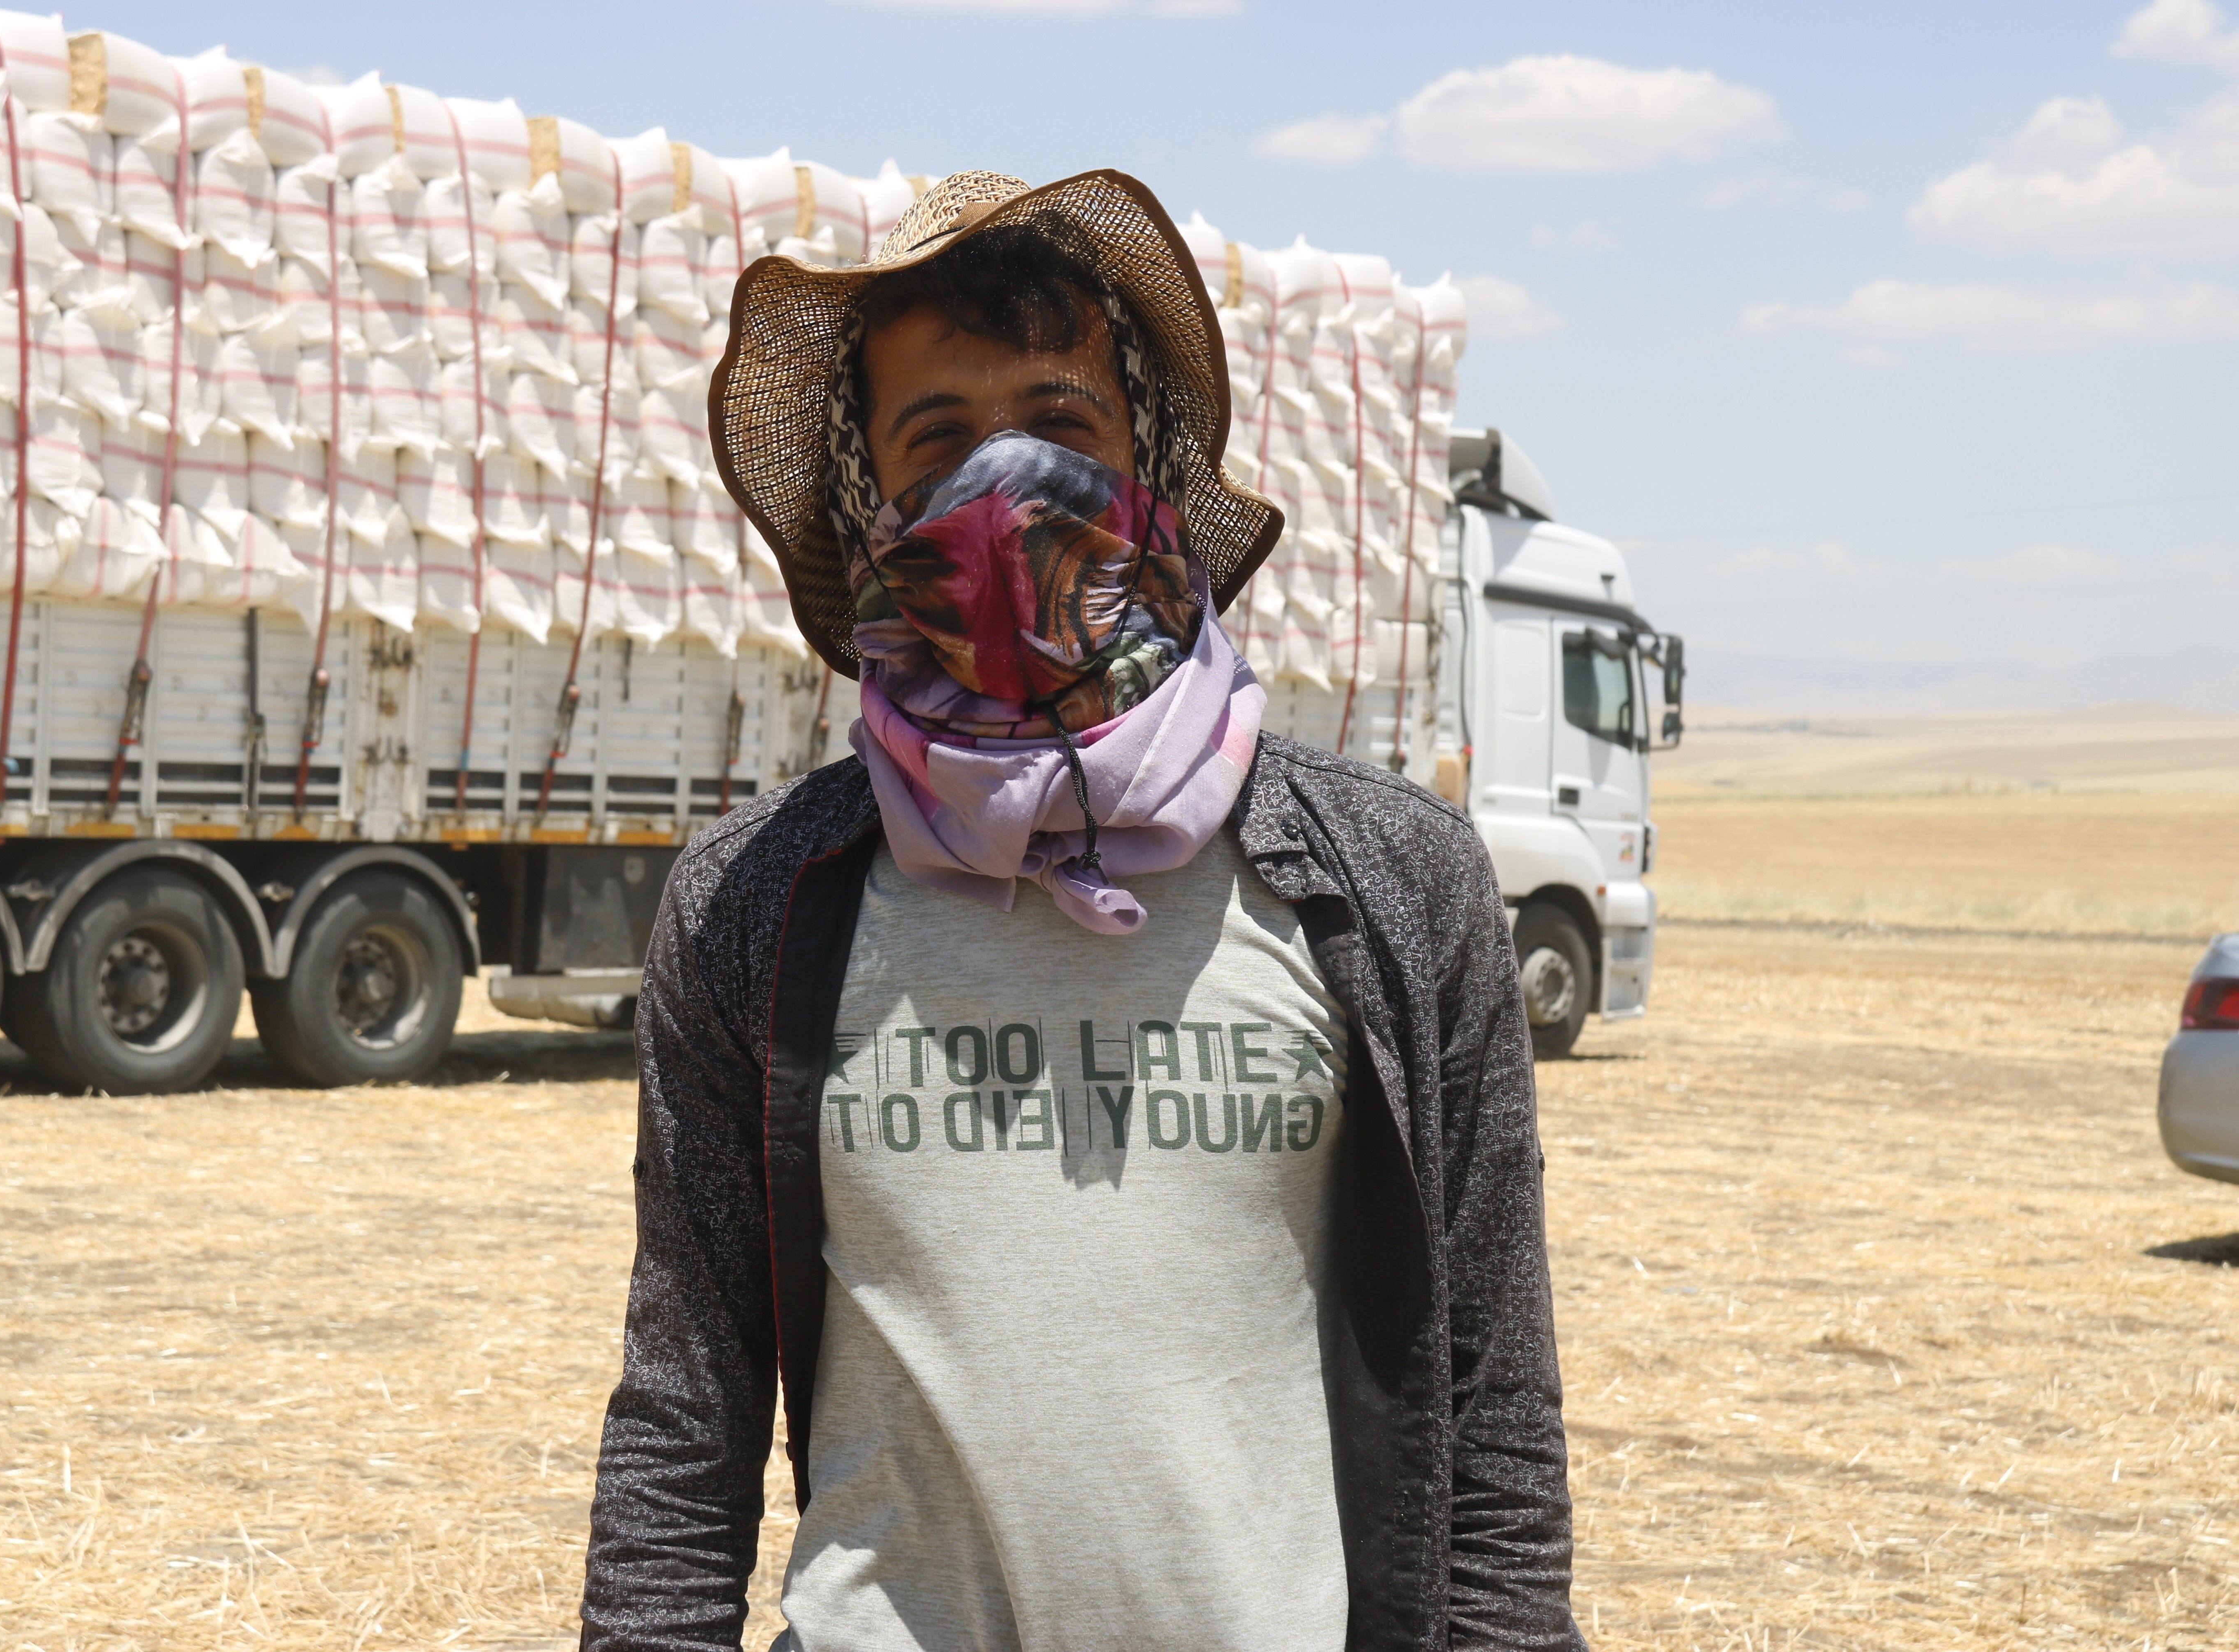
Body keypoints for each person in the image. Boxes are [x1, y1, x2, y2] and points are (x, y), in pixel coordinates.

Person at [580, 169, 1582, 1652]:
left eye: (1060, 424)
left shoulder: (1393, 884)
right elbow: (690, 1400)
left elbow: (1491, 1396)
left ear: (1149, 463)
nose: (1007, 484)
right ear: (874, 500)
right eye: (940, 440)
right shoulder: (758, 903)